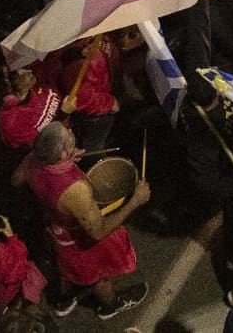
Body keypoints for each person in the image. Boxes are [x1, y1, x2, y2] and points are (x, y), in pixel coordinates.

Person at [16, 121, 149, 317]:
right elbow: (98, 231)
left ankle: (64, 300)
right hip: (80, 240)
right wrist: (135, 201)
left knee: (69, 270)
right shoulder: (75, 191)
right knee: (99, 277)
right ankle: (110, 305)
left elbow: (16, 179)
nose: (71, 132)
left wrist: (65, 162)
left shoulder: (32, 159)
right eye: (68, 136)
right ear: (61, 155)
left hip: (57, 230)